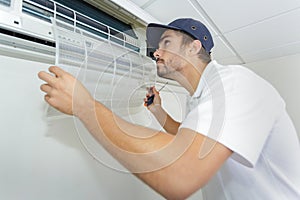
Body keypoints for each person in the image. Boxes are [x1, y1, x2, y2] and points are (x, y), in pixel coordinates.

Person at [38, 18, 300, 199]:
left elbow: (179, 175)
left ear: (193, 47)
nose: (155, 52)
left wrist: (85, 106)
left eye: (166, 43)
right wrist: (159, 113)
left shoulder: (236, 84)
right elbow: (190, 139)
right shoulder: (198, 97)